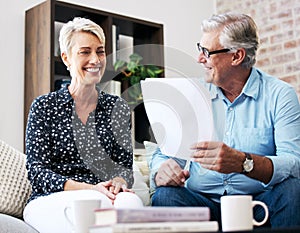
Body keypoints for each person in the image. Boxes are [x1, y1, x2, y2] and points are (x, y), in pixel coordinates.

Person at [150, 13, 300, 228]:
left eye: (206, 52)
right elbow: (163, 154)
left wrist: (244, 162)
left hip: (258, 203)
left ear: (237, 56)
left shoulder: (280, 94)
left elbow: (294, 162)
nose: (199, 59)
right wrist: (162, 169)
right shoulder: (192, 95)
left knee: (293, 190)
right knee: (165, 196)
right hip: (202, 203)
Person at [23, 17, 142, 233]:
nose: (95, 59)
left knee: (131, 204)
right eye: (85, 52)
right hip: (53, 198)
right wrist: (92, 189)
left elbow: (125, 168)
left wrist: (118, 181)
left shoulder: (118, 108)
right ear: (66, 58)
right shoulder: (44, 106)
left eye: (100, 51)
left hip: (104, 195)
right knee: (92, 208)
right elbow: (37, 171)